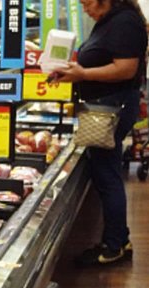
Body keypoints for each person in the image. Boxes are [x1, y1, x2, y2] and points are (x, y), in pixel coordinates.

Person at [53, 0, 148, 266]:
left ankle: (114, 246)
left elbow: (125, 68)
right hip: (107, 107)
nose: (84, 8)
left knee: (107, 175)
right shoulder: (112, 20)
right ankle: (120, 239)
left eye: (86, 2)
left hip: (111, 109)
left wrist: (82, 73)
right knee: (107, 172)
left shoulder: (124, 21)